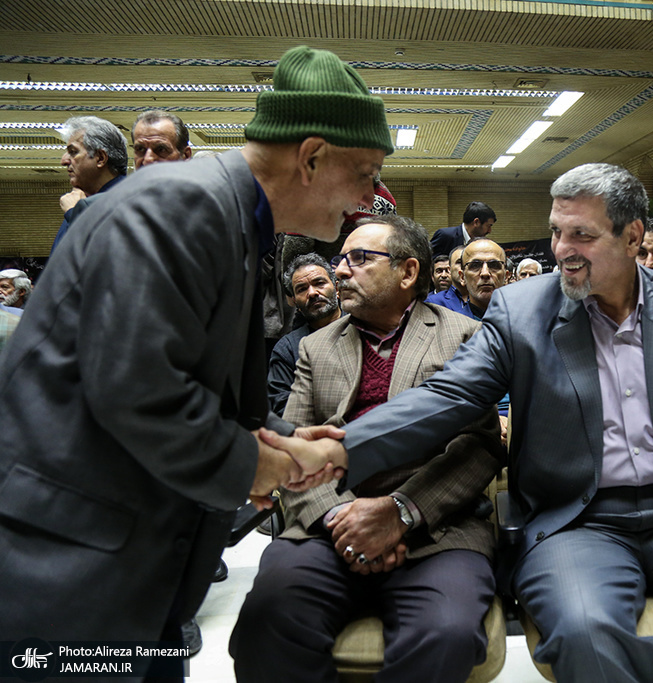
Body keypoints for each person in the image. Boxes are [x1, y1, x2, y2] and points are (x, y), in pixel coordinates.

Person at [330, 163, 653, 683]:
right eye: (556, 232)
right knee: (586, 632)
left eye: (582, 235)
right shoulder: (521, 310)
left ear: (632, 237)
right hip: (577, 523)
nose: (562, 250)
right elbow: (448, 397)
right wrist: (335, 451)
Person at [0, 46, 388, 665]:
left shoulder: (229, 217)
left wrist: (280, 436)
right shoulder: (180, 207)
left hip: (130, 547)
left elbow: (196, 378)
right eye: (367, 173)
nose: (372, 195)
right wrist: (265, 465)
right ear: (311, 156)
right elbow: (139, 393)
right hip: (68, 563)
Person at [231, 215, 502, 683]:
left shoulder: (464, 336)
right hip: (328, 525)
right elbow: (293, 447)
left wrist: (399, 513)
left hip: (436, 528)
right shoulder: (316, 347)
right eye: (340, 259)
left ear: (408, 271)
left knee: (445, 633)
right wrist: (342, 519)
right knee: (267, 619)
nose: (339, 270)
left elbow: (479, 446)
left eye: (358, 258)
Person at [268, 253, 342, 416]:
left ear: (337, 288)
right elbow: (282, 406)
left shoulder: (363, 328)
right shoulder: (288, 349)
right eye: (302, 289)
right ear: (295, 302)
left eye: (319, 283)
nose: (313, 293)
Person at [50, 115, 128, 254]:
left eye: (73, 152)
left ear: (100, 158)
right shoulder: (82, 201)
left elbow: (111, 257)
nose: (64, 161)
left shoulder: (129, 203)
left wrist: (75, 215)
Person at [429, 201, 496, 257]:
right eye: (489, 226)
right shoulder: (445, 235)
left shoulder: (480, 243)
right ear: (476, 222)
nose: (489, 231)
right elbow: (429, 261)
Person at [460, 238, 507, 318]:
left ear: (506, 276)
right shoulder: (451, 323)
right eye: (475, 265)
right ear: (462, 277)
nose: (485, 273)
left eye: (494, 265)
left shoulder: (522, 320)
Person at [425, 244, 471, 316]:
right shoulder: (433, 302)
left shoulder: (485, 299)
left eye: (468, 263)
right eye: (459, 262)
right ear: (450, 269)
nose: (463, 267)